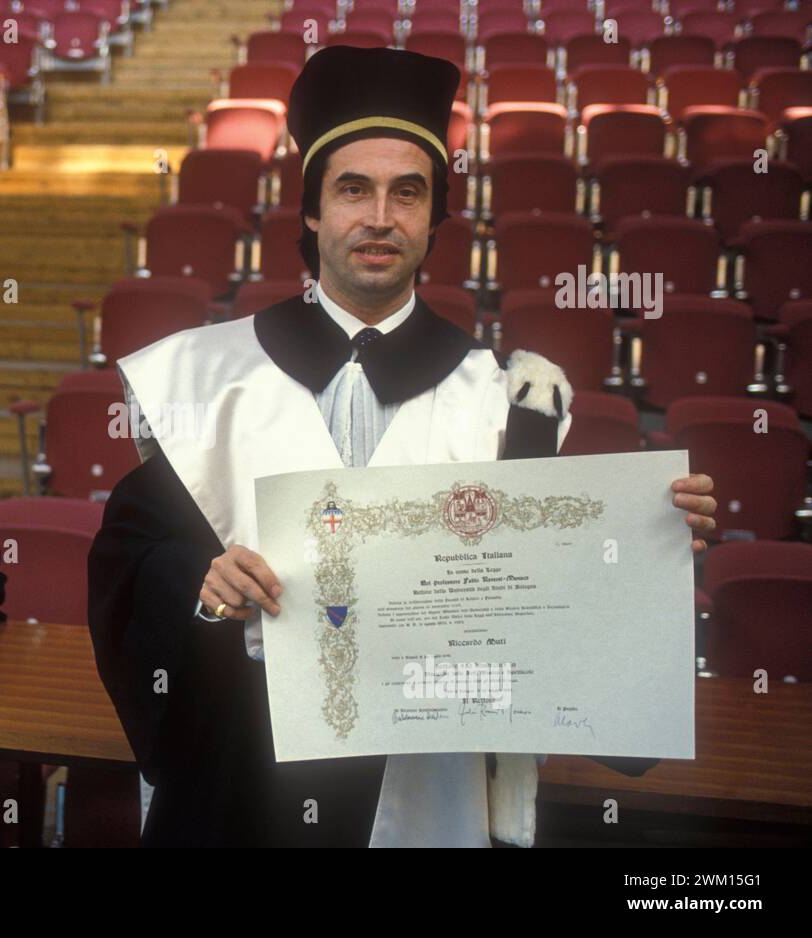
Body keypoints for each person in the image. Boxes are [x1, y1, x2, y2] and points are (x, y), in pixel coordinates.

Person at [87, 46, 717, 847]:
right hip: (237, 779)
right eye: (353, 189)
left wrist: (650, 551)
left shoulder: (510, 405)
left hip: (426, 790)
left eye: (407, 193)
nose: (379, 217)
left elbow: (550, 622)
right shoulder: (198, 379)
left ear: (434, 218)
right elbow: (130, 572)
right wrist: (203, 591)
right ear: (311, 211)